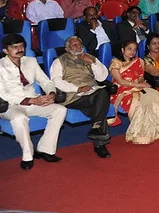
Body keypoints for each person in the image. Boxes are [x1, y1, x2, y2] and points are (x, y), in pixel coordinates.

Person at [0, 33, 67, 169]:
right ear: (5, 51)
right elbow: (3, 94)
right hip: (11, 105)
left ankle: (45, 149)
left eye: (21, 46)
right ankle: (27, 155)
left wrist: (51, 93)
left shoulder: (31, 61)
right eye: (15, 47)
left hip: (33, 101)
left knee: (60, 109)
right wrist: (32, 100)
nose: (19, 49)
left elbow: (45, 80)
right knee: (19, 117)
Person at [49, 36, 112, 158]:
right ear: (67, 48)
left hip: (91, 94)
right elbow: (56, 81)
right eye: (74, 45)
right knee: (100, 102)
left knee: (102, 94)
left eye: (79, 44)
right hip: (73, 96)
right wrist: (76, 88)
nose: (78, 47)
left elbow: (102, 77)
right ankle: (100, 143)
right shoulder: (59, 61)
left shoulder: (89, 57)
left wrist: (92, 62)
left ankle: (97, 129)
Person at [109, 39, 159, 144]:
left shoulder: (139, 61)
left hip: (138, 87)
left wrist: (142, 81)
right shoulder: (116, 62)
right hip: (122, 90)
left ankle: (156, 131)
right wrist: (138, 85)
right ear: (122, 50)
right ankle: (140, 134)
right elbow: (120, 81)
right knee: (138, 102)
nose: (132, 52)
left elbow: (141, 76)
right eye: (129, 49)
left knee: (154, 95)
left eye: (134, 49)